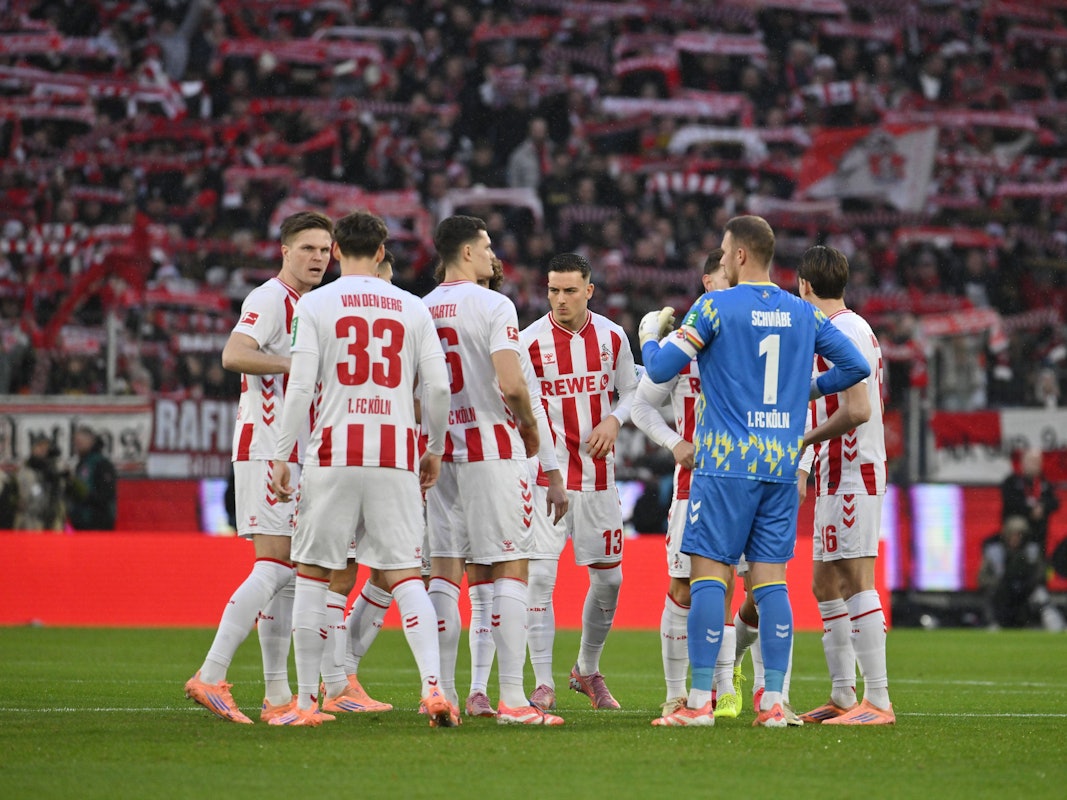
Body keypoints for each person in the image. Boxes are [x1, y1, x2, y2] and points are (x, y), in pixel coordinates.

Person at [641, 215, 869, 728]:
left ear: (740, 255)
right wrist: (805, 391)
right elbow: (857, 368)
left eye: (723, 252)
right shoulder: (802, 313)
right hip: (781, 464)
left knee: (708, 578)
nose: (721, 260)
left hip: (725, 464)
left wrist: (650, 338)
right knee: (771, 583)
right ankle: (772, 703)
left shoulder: (715, 306)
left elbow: (658, 372)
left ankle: (698, 703)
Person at [268, 210, 455, 727]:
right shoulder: (411, 306)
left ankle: (306, 703)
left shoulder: (314, 303)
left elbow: (300, 387)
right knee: (403, 574)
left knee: (313, 576)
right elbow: (437, 389)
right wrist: (433, 446)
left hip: (332, 454)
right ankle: (434, 689)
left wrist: (284, 454)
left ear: (333, 252)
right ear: (380, 253)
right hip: (395, 455)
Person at [184, 210, 334, 724]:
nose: (317, 258)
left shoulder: (306, 304)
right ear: (284, 252)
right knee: (274, 566)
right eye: (307, 248)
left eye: (324, 249)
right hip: (268, 447)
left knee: (287, 576)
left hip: (290, 450)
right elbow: (233, 353)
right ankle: (210, 673)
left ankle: (277, 699)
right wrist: (294, 363)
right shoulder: (270, 298)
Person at [423, 215, 564, 725]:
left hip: (440, 455)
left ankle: (439, 691)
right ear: (465, 253)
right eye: (485, 247)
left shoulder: (421, 309)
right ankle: (512, 700)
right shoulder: (494, 304)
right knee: (510, 566)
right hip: (493, 449)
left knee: (446, 569)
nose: (491, 254)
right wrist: (528, 428)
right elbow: (513, 383)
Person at [520, 251, 639, 711]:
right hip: (545, 481)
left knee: (610, 581)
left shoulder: (612, 337)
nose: (560, 298)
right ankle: (542, 680)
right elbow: (522, 408)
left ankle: (586, 669)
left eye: (570, 290)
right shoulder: (529, 342)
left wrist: (614, 419)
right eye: (553, 290)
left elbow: (631, 390)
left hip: (598, 480)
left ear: (589, 290)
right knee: (541, 578)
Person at [630, 249, 736, 716]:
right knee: (683, 588)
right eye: (722, 280)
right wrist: (675, 442)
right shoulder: (684, 342)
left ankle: (727, 687)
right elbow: (641, 404)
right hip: (695, 484)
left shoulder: (751, 334)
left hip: (746, 477)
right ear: (706, 281)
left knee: (737, 587)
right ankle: (679, 693)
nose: (730, 288)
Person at [792, 245, 895, 726]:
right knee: (824, 583)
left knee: (855, 579)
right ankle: (842, 695)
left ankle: (878, 700)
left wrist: (803, 441)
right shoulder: (842, 330)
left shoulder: (844, 331)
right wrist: (810, 460)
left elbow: (857, 410)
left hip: (855, 470)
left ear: (805, 286)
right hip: (835, 471)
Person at [316, 248, 400, 715]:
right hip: (345, 456)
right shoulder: (331, 311)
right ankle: (331, 684)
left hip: (385, 458)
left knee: (389, 572)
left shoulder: (389, 314)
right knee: (336, 573)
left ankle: (342, 674)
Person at [978, 515, 1065, 631]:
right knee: (990, 595)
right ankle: (992, 624)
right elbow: (982, 577)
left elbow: (1041, 573)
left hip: (1026, 591)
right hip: (1002, 592)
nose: (1016, 538)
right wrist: (999, 584)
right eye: (1013, 534)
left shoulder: (1032, 551)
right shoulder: (995, 552)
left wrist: (1028, 583)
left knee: (1041, 594)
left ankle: (1056, 626)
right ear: (1006, 535)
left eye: (1019, 535)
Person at [1000, 447, 1060, 555]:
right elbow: (1010, 501)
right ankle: (1014, 556)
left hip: (1038, 526)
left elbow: (1055, 502)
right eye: (1031, 461)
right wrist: (1030, 510)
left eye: (1037, 462)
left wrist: (1042, 507)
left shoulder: (1044, 483)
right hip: (1017, 522)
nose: (1034, 465)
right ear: (1023, 463)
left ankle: (1039, 561)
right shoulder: (1012, 481)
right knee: (1018, 525)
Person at [66, 426, 117, 531]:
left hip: (97, 523)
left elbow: (106, 494)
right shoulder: (82, 463)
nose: (77, 446)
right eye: (75, 443)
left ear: (91, 440)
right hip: (81, 523)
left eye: (80, 442)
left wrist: (83, 491)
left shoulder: (102, 464)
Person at [15, 433, 67, 531]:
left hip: (54, 520)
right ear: (32, 449)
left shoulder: (56, 468)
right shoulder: (25, 471)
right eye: (39, 446)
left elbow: (62, 492)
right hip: (31, 521)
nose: (43, 449)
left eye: (46, 446)